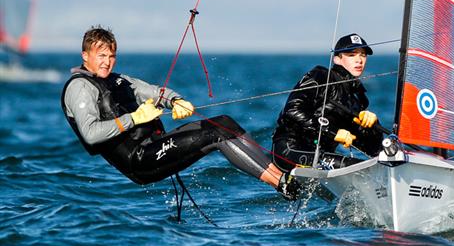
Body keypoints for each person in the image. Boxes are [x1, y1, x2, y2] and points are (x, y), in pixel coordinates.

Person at [61, 26, 299, 201]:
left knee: (224, 122)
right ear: (85, 56)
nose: (107, 62)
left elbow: (155, 92)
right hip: (140, 160)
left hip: (154, 145)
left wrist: (175, 101)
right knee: (216, 134)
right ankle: (282, 184)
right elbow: (91, 134)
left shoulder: (119, 80)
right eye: (101, 56)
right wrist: (135, 118)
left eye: (112, 56)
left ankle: (282, 174)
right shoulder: (79, 88)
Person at [272, 33, 383, 172]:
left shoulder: (358, 99)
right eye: (351, 55)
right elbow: (292, 110)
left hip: (321, 155)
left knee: (374, 169)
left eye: (363, 55)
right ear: (337, 59)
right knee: (360, 171)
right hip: (289, 149)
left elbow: (372, 150)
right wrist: (333, 133)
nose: (359, 60)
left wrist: (373, 125)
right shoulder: (321, 76)